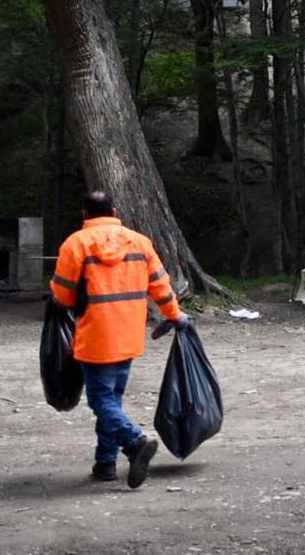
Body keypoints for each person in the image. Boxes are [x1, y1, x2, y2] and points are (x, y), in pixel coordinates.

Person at [50, 191, 190, 487]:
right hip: (128, 334)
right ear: (113, 210)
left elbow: (62, 296)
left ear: (84, 214)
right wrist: (175, 314)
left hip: (95, 336)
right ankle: (105, 463)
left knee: (101, 401)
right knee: (111, 399)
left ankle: (135, 441)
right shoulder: (140, 242)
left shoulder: (76, 244)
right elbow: (160, 286)